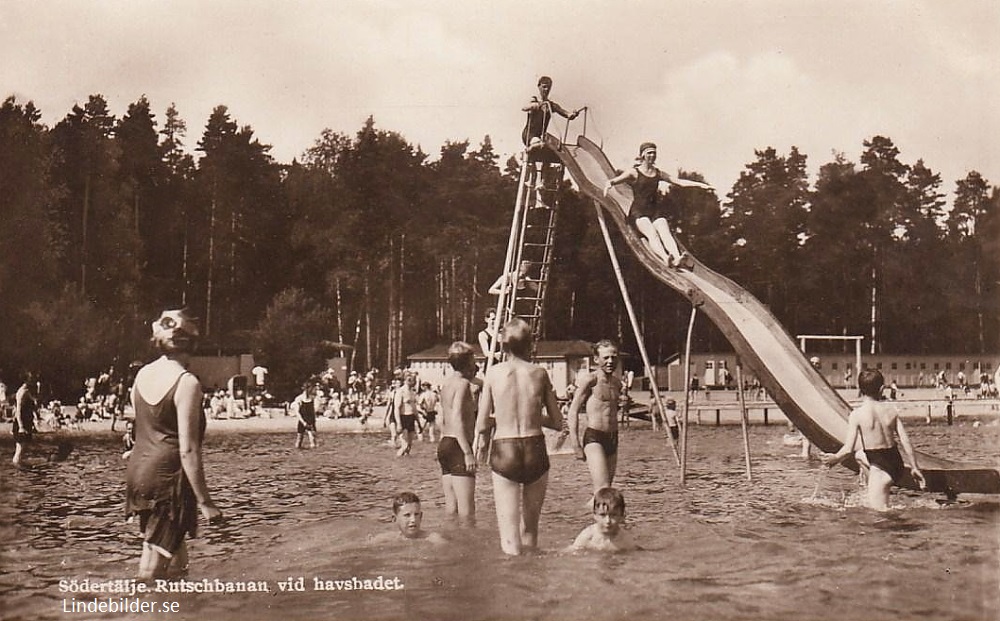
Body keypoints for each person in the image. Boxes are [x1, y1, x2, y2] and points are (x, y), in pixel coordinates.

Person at [125, 309, 222, 580]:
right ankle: (130, 610)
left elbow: (138, 425)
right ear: (191, 343)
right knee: (150, 570)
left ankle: (181, 609)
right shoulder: (187, 383)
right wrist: (206, 502)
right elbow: (188, 449)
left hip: (139, 471)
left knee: (174, 558)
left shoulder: (143, 374)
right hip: (169, 478)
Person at [473, 318, 564, 555]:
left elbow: (482, 423)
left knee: (509, 539)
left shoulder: (493, 373)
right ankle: (532, 585)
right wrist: (533, 416)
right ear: (529, 344)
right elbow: (557, 422)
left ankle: (512, 587)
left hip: (505, 448)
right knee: (531, 530)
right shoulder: (540, 373)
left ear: (503, 346)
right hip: (535, 446)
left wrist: (501, 417)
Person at [823, 369, 926, 511]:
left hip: (880, 469)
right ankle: (874, 487)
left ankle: (877, 487)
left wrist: (834, 458)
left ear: (860, 389)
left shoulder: (857, 415)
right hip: (897, 465)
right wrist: (915, 468)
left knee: (878, 516)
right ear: (882, 389)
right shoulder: (891, 411)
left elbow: (847, 449)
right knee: (859, 455)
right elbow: (905, 441)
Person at [604, 142, 714, 268]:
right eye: (649, 153)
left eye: (654, 153)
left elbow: (678, 182)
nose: (652, 155)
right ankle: (665, 257)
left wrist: (700, 185)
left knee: (665, 231)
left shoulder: (658, 173)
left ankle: (677, 257)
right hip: (638, 212)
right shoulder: (634, 172)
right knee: (652, 233)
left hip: (654, 211)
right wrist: (609, 184)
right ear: (643, 155)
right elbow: (615, 180)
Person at [567, 340, 622, 495]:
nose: (610, 361)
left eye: (613, 357)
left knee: (607, 491)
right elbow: (573, 411)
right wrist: (575, 444)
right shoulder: (591, 380)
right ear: (596, 359)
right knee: (603, 489)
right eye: (606, 358)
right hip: (594, 438)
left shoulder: (617, 383)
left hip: (613, 437)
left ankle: (586, 516)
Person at [437, 342, 480, 525]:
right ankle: (467, 550)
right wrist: (468, 453)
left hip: (445, 443)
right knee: (467, 512)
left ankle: (450, 547)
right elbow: (457, 418)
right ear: (467, 361)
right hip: (458, 445)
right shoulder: (463, 385)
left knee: (451, 509)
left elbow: (442, 419)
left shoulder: (446, 385)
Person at [521, 75, 579, 157]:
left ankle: (546, 166)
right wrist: (536, 105)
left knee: (549, 147)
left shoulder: (551, 105)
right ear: (539, 86)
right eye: (544, 87)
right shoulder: (534, 100)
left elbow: (566, 114)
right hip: (529, 135)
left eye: (548, 88)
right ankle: (529, 148)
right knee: (538, 144)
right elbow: (524, 107)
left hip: (541, 136)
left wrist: (573, 114)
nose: (546, 90)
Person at [567, 487, 638, 553]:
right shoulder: (588, 536)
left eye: (613, 515)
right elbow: (571, 551)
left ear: (622, 516)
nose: (608, 521)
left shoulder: (625, 540)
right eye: (602, 515)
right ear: (595, 515)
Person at [12, 373, 38, 467]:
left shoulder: (27, 391)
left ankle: (21, 470)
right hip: (21, 423)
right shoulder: (22, 392)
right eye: (31, 378)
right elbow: (18, 410)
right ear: (26, 380)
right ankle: (18, 471)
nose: (33, 379)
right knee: (20, 450)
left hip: (26, 422)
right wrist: (21, 427)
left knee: (23, 448)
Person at [393, 372, 419, 457]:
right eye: (408, 379)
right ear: (405, 380)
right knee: (404, 446)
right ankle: (396, 460)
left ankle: (407, 466)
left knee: (409, 446)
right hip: (403, 418)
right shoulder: (400, 391)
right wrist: (399, 424)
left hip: (411, 418)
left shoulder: (412, 392)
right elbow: (396, 408)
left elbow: (414, 408)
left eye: (411, 380)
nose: (411, 381)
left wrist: (419, 423)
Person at [291, 382, 318, 449]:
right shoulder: (299, 399)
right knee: (299, 439)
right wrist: (303, 422)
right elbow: (297, 412)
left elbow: (314, 411)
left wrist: (313, 421)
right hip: (302, 419)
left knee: (312, 440)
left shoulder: (313, 398)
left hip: (311, 420)